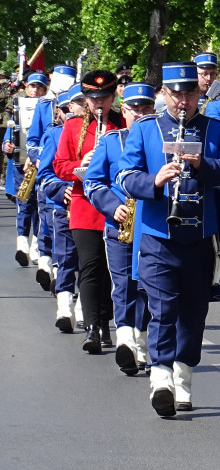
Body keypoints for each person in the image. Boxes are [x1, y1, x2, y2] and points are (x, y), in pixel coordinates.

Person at [116, 62, 220, 417]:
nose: (183, 101)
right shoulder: (146, 129)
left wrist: (204, 165)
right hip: (158, 237)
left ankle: (183, 375)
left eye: (190, 93)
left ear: (198, 94)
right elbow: (125, 177)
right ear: (165, 95)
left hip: (201, 238)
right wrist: (155, 181)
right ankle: (161, 378)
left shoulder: (215, 130)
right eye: (176, 94)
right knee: (162, 309)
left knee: (193, 314)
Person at [83, 83, 156, 375]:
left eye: (145, 109)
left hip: (151, 226)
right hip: (120, 226)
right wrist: (113, 207)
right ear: (123, 111)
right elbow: (93, 182)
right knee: (124, 284)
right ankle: (126, 339)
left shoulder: (161, 142)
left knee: (149, 289)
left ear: (154, 110)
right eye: (134, 109)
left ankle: (140, 341)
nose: (139, 114)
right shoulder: (111, 141)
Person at [53, 69, 123, 354]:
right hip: (84, 205)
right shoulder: (72, 128)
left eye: (104, 98)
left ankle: (106, 320)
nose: (99, 104)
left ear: (113, 96)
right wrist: (82, 164)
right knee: (91, 266)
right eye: (93, 99)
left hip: (116, 204)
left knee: (112, 269)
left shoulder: (122, 124)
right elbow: (59, 166)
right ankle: (93, 327)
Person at [37, 88, 79, 332]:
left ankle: (86, 309)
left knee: (90, 263)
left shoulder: (102, 132)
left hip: (94, 207)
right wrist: (61, 188)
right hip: (62, 206)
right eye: (67, 108)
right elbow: (45, 174)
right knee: (65, 258)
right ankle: (64, 308)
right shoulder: (55, 134)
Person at [5, 71, 48, 266]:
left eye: (39, 86)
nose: (35, 90)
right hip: (21, 164)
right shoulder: (18, 109)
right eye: (32, 86)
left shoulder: (49, 108)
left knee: (40, 206)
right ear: (26, 88)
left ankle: (36, 245)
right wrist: (7, 145)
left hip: (41, 164)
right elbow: (9, 135)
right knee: (24, 203)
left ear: (45, 90)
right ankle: (22, 242)